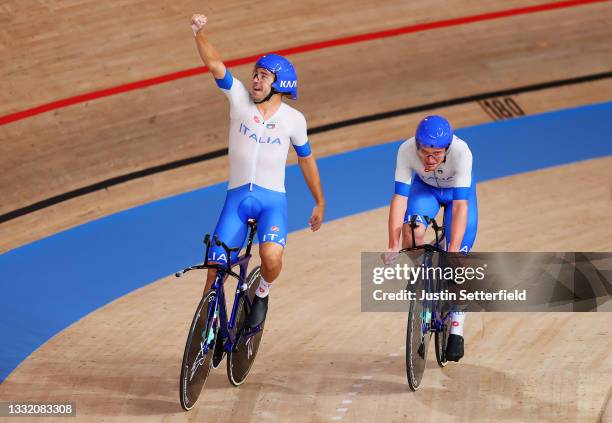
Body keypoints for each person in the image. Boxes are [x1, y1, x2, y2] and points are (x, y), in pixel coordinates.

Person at [191, 14, 325, 328]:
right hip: (236, 200)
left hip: (272, 202)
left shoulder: (294, 120)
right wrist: (199, 33)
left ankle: (262, 291)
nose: (255, 80)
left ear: (280, 84)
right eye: (255, 74)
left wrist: (319, 201)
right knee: (214, 266)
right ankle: (207, 328)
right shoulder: (239, 100)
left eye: (263, 76)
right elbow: (215, 64)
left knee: (271, 258)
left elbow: (306, 160)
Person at [387, 115, 478, 361]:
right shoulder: (406, 150)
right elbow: (400, 200)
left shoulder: (462, 153)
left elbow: (460, 207)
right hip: (425, 190)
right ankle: (421, 274)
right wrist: (393, 245)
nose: (429, 159)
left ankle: (457, 329)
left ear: (447, 149)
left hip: (456, 197)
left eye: (436, 153)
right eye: (424, 152)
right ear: (416, 145)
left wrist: (454, 249)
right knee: (412, 230)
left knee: (457, 260)